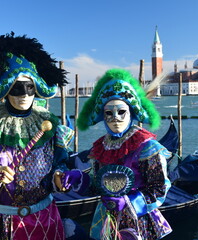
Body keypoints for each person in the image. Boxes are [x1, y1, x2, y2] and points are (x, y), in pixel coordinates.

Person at [0, 32, 75, 240]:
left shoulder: (50, 125)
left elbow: (61, 162)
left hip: (44, 221)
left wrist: (59, 176)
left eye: (30, 88)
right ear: (6, 89)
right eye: (17, 88)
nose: (24, 95)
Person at [69, 69, 172, 239]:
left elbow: (160, 188)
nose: (115, 118)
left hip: (138, 221)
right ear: (103, 116)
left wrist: (129, 201)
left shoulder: (147, 147)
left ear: (131, 112)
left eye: (121, 111)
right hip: (105, 221)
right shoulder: (101, 147)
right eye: (109, 113)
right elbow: (98, 185)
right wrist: (79, 178)